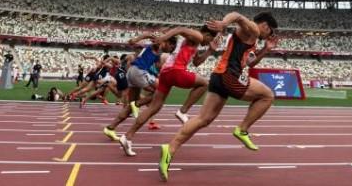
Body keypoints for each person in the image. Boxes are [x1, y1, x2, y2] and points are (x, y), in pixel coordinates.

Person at [158, 12, 278, 181]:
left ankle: (170, 149)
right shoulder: (254, 29)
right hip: (229, 76)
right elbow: (237, 16)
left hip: (218, 77)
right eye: (270, 32)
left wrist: (266, 49)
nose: (270, 35)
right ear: (265, 25)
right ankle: (242, 129)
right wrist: (224, 23)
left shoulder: (252, 38)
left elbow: (251, 63)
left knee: (203, 119)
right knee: (267, 95)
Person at [119, 25, 220, 156]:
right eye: (211, 40)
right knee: (206, 83)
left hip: (166, 73)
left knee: (153, 108)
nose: (209, 43)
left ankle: (127, 137)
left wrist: (210, 51)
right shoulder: (198, 35)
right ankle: (182, 111)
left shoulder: (195, 42)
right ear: (208, 35)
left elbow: (196, 63)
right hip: (175, 70)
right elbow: (180, 29)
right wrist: (163, 37)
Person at [102, 32, 176, 142]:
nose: (171, 50)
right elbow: (149, 35)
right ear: (168, 42)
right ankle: (138, 104)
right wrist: (136, 40)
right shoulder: (160, 43)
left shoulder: (158, 51)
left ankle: (110, 128)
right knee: (160, 92)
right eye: (171, 47)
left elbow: (156, 65)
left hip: (132, 72)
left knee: (130, 108)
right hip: (138, 71)